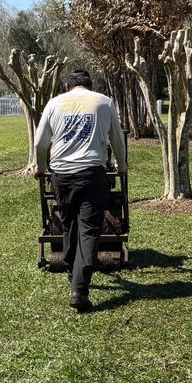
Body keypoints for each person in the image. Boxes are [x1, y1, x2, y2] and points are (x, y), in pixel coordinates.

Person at [34, 69, 127, 312]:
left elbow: (40, 141)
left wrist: (41, 168)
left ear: (68, 86)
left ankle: (70, 268)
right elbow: (117, 138)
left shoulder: (54, 103)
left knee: (68, 224)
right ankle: (79, 288)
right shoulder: (104, 102)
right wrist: (122, 165)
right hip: (92, 175)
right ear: (89, 85)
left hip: (61, 176)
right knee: (88, 230)